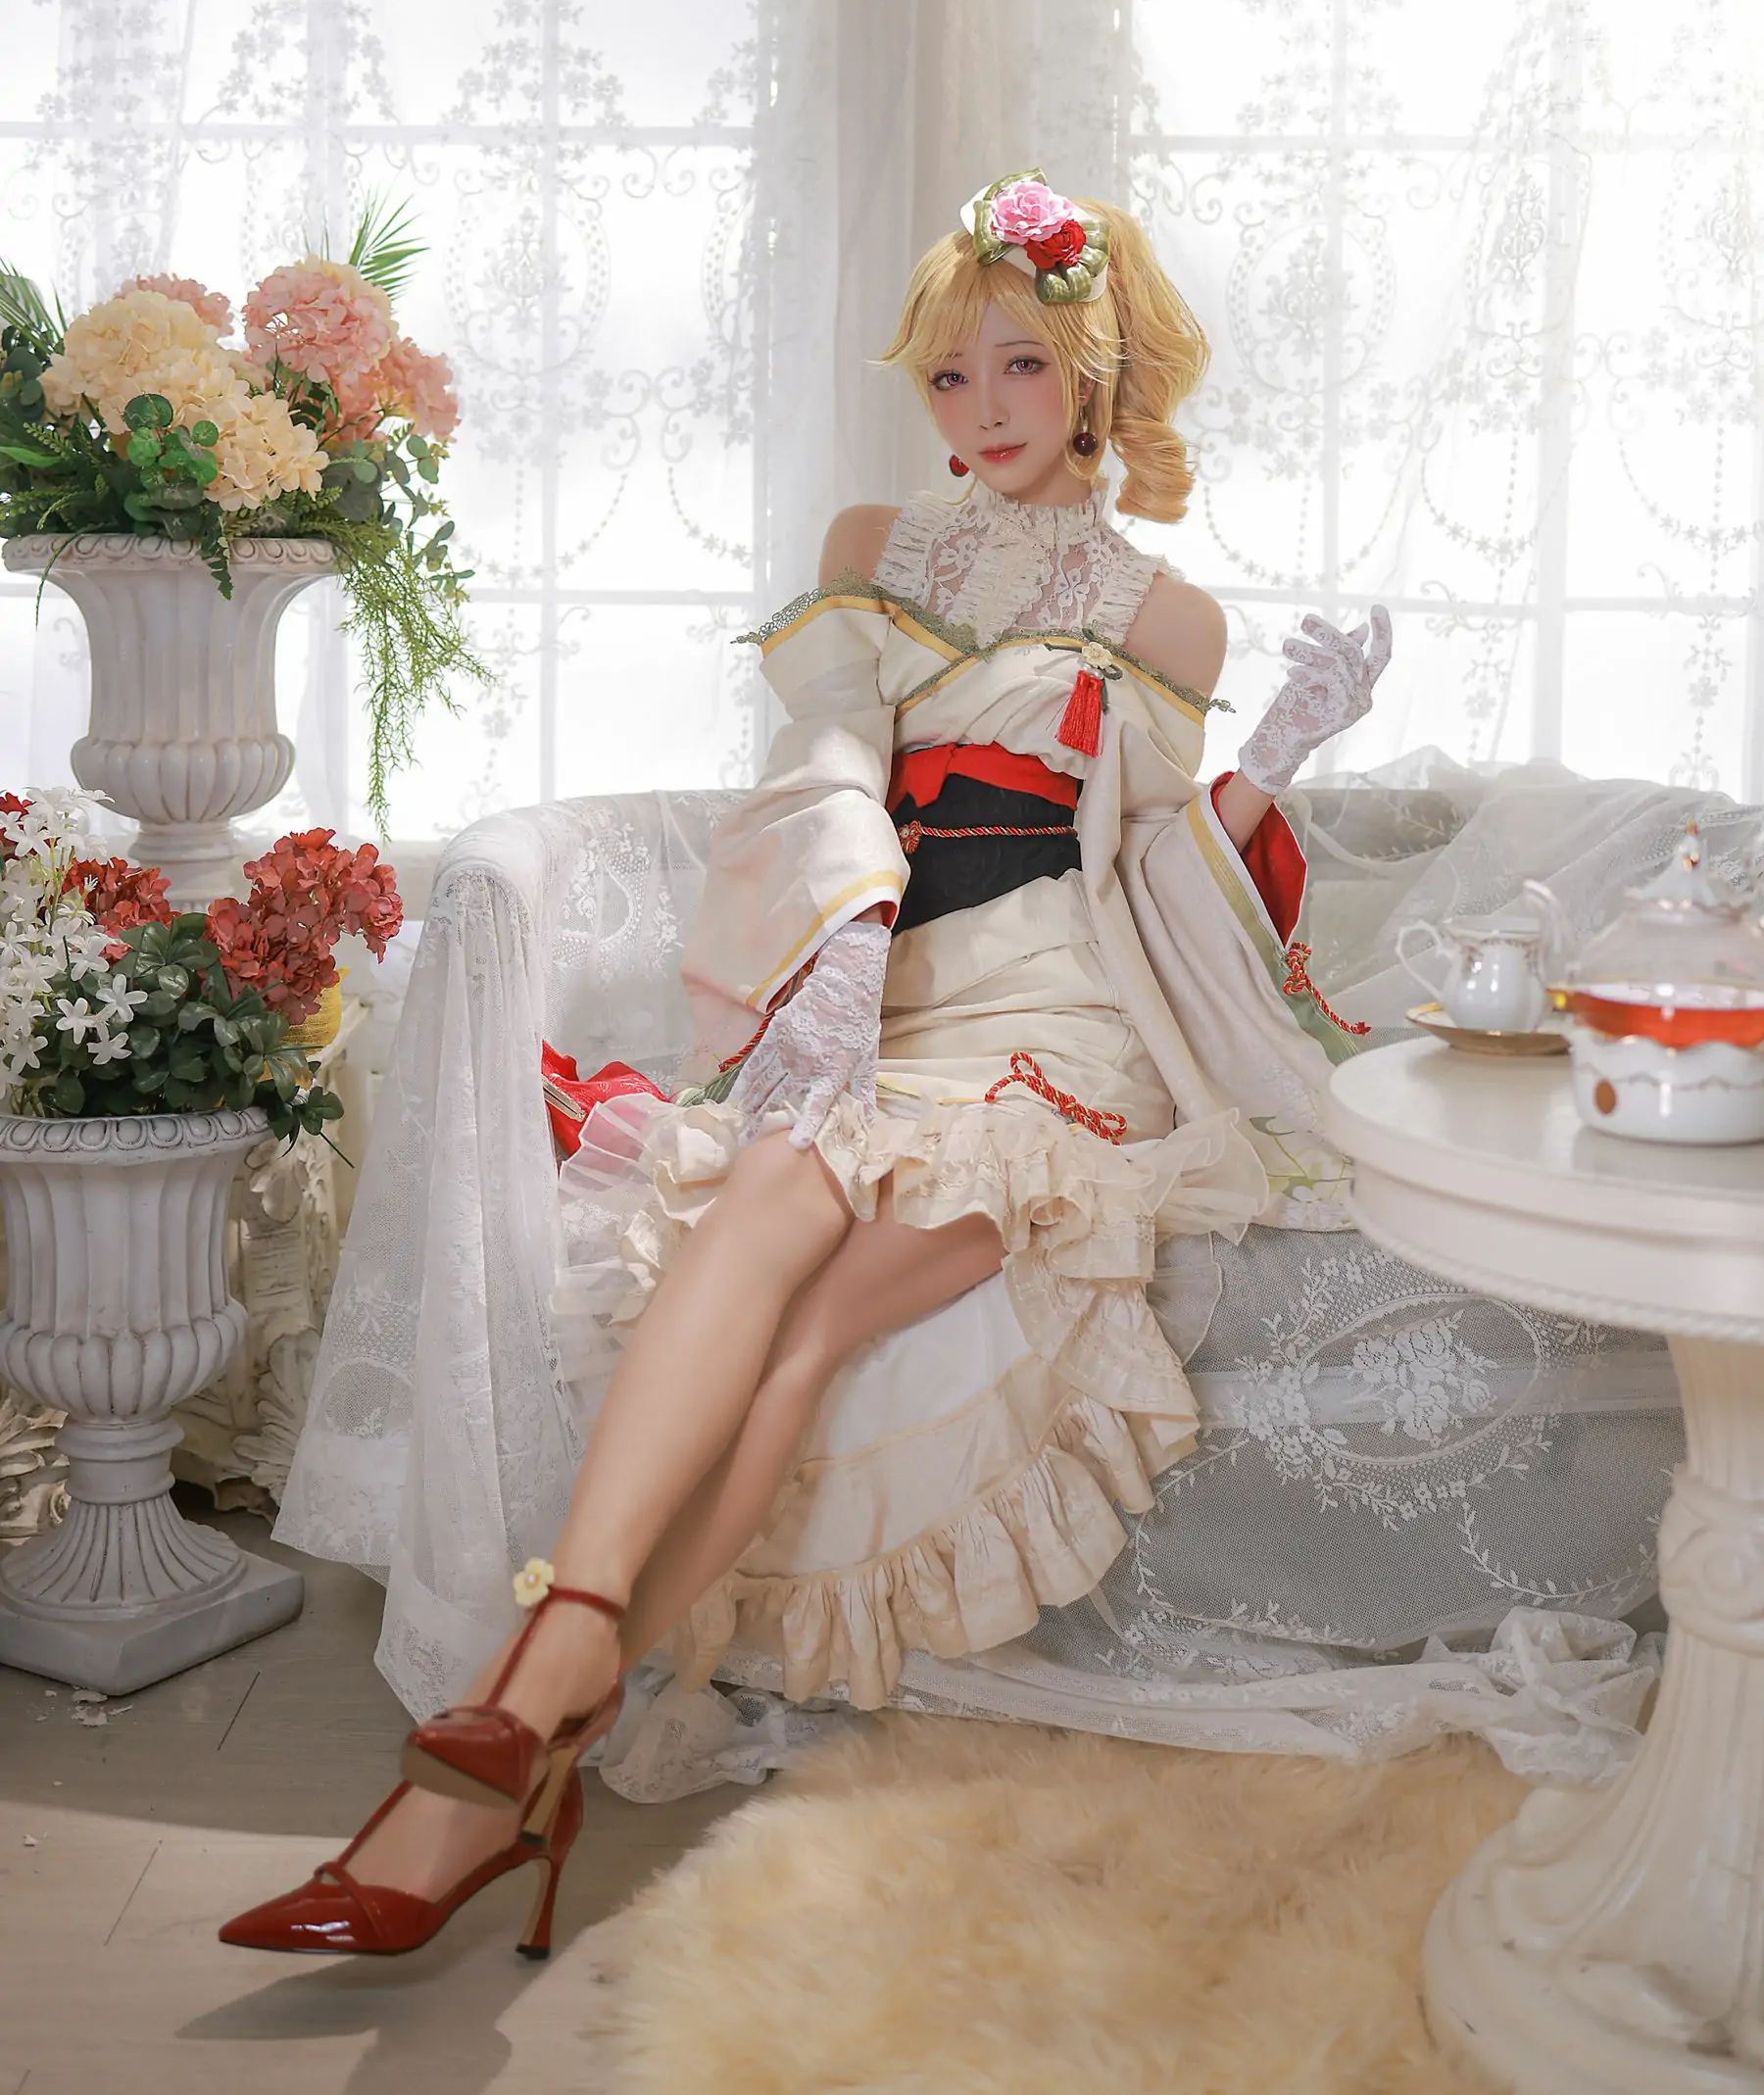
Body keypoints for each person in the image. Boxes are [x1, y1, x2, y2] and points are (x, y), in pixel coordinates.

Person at [220, 173, 1392, 1957]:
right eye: (949, 374)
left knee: (815, 1328)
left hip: (1057, 1032)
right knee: (765, 1198)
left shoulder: (1170, 617)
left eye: (1019, 365)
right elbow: (834, 763)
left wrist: (1280, 755)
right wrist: (840, 956)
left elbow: (1153, 872)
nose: (980, 408)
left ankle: (487, 1764)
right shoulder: (881, 545)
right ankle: (542, 1709)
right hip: (880, 988)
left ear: (1093, 370)